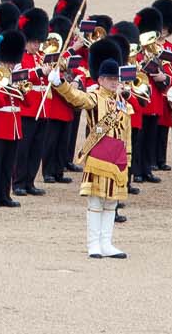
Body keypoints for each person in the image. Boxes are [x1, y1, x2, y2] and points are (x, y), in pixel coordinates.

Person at [53, 39, 135, 259]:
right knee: (96, 200)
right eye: (109, 79)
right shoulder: (94, 96)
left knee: (112, 202)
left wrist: (127, 157)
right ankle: (94, 244)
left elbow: (126, 131)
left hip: (117, 155)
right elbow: (76, 97)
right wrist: (60, 83)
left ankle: (106, 243)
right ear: (100, 79)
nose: (113, 82)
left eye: (115, 79)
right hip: (99, 154)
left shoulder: (123, 102)